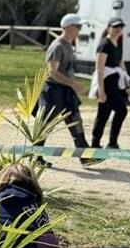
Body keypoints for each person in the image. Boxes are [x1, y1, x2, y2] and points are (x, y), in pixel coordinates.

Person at [39, 14, 98, 166]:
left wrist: (71, 85)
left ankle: (85, 156)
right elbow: (52, 71)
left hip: (65, 92)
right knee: (46, 125)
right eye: (78, 26)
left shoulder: (69, 45)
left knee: (76, 122)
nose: (80, 29)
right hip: (53, 92)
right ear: (68, 27)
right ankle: (36, 158)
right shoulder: (57, 46)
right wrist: (73, 83)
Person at [91, 18, 130, 149]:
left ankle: (96, 144)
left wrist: (127, 86)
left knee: (103, 114)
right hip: (107, 82)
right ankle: (112, 142)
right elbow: (99, 69)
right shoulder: (104, 44)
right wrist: (101, 91)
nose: (118, 29)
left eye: (120, 27)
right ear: (109, 28)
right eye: (115, 27)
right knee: (121, 110)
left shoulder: (118, 42)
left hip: (116, 81)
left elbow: (121, 63)